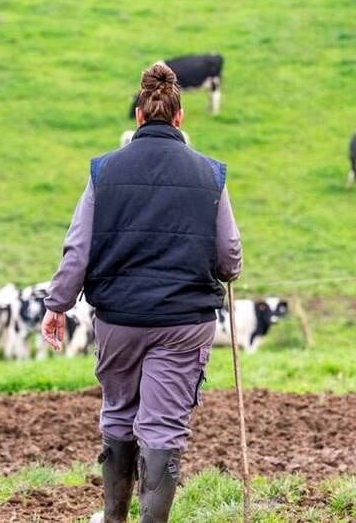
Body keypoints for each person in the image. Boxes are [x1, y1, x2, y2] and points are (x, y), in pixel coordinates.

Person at [42, 62, 242, 523]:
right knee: (164, 426)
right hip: (183, 322)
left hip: (119, 319)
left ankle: (113, 518)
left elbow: (78, 249)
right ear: (180, 117)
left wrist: (57, 304)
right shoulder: (210, 175)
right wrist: (227, 270)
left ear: (137, 117)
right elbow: (229, 255)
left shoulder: (104, 172)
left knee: (118, 415)